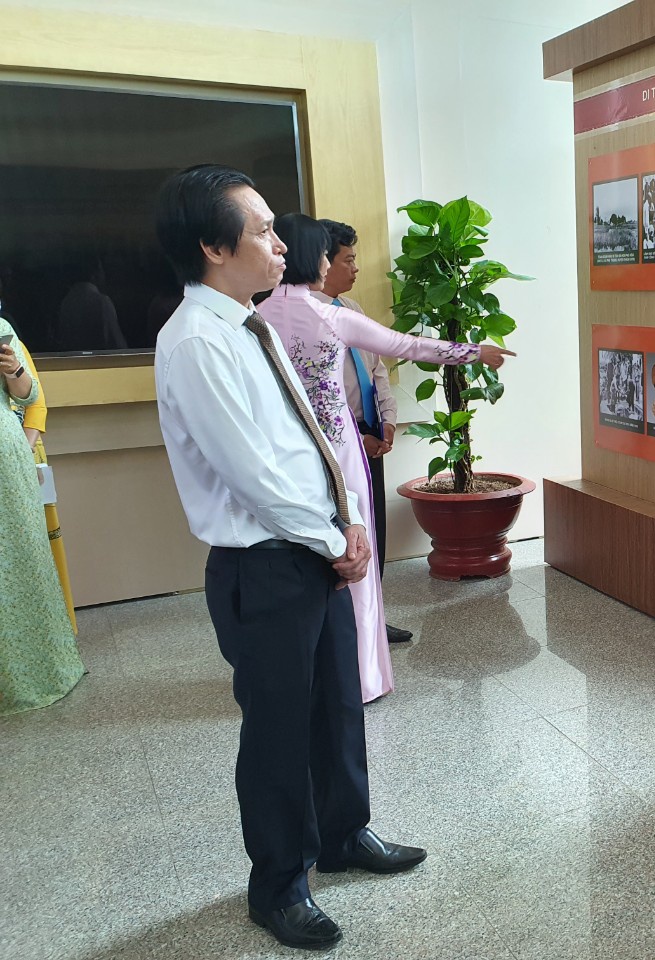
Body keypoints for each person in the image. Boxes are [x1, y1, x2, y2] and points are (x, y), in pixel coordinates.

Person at [153, 164, 425, 951]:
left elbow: (310, 435)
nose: (282, 244)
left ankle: (344, 833)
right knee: (277, 731)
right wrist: (335, 539)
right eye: (264, 230)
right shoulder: (196, 342)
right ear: (213, 247)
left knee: (337, 701)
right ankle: (278, 884)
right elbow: (254, 475)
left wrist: (350, 519)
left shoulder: (255, 321)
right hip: (265, 564)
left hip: (314, 545)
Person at [256, 213, 513, 704]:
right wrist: (474, 352)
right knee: (356, 552)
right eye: (327, 255)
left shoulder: (256, 317)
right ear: (313, 257)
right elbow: (406, 345)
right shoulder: (330, 316)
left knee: (299, 559)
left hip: (283, 453)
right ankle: (360, 677)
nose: (329, 263)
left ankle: (305, 678)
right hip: (338, 450)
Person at [315, 219, 413, 645]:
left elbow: (377, 370)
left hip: (370, 431)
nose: (356, 268)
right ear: (322, 262)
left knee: (374, 527)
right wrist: (357, 438)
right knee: (346, 529)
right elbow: (316, 399)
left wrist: (387, 421)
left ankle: (372, 617)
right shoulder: (306, 319)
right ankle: (346, 624)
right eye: (348, 260)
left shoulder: (352, 310)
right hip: (338, 439)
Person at [0, 319, 85, 716]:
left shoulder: (1, 328)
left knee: (21, 561)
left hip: (8, 458)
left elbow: (31, 394)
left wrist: (13, 368)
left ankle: (37, 668)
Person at [12, 343, 76, 630]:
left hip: (28, 456)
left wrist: (23, 450)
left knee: (44, 544)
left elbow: (37, 403)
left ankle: (59, 630)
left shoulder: (10, 340)